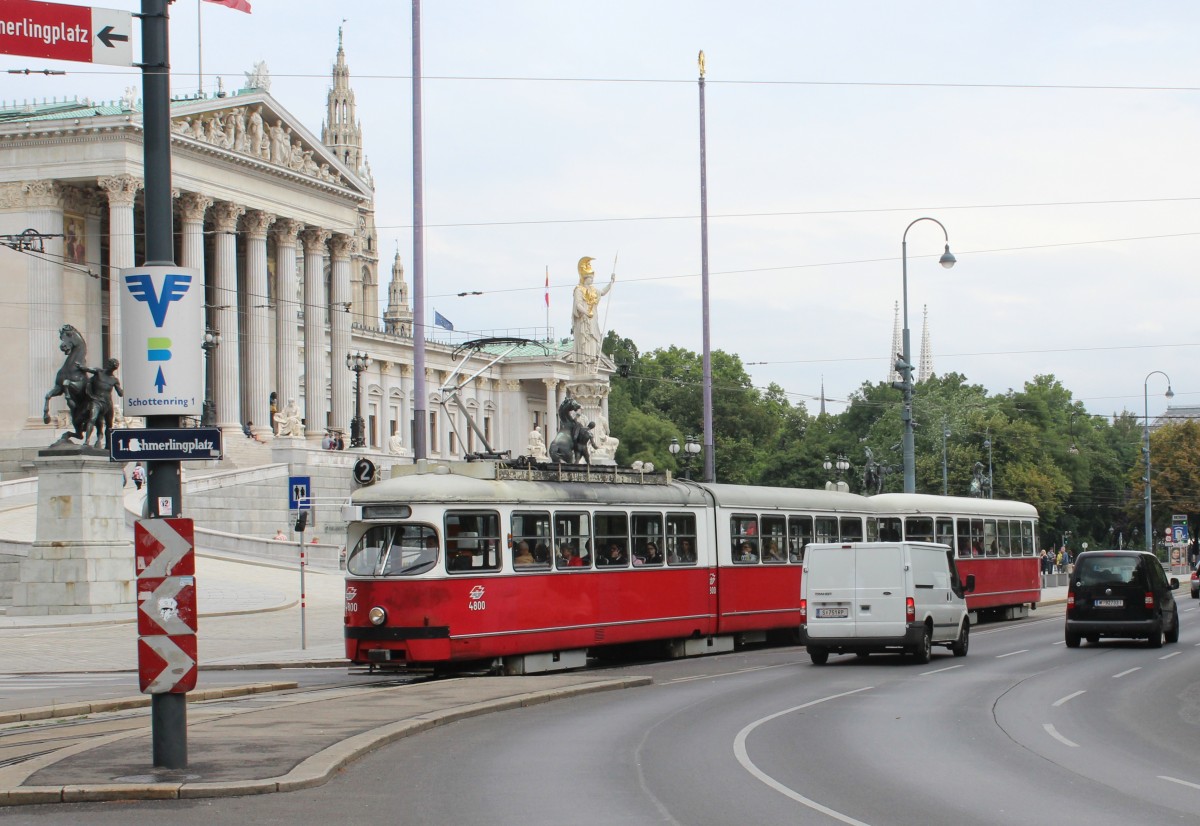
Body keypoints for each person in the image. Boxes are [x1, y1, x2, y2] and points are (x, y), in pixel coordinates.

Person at [571, 255, 615, 370]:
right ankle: (584, 365)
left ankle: (591, 363)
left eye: (592, 277)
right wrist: (586, 312)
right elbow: (577, 305)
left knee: (593, 340)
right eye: (590, 278)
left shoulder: (593, 290)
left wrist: (611, 282)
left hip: (593, 319)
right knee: (585, 340)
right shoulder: (578, 290)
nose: (592, 280)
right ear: (585, 278)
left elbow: (603, 292)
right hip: (583, 320)